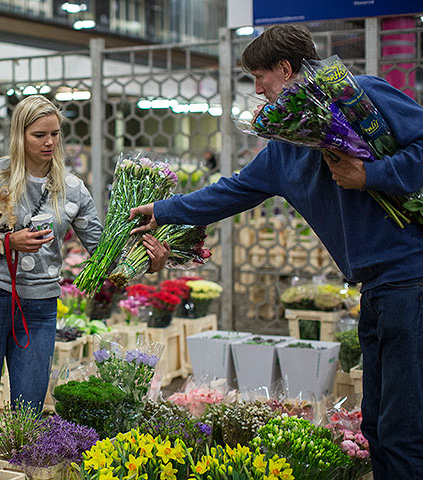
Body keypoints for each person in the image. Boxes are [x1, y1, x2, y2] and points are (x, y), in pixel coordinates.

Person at [130, 24, 423, 478]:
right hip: (377, 290)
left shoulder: (358, 96)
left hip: (412, 280)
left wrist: (372, 176)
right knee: (379, 428)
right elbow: (235, 190)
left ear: (285, 69)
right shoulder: (286, 144)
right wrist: (164, 211)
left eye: (259, 78)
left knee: (404, 431)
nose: (257, 90)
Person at [0, 95, 169, 448]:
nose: (49, 142)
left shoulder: (72, 187)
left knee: (28, 419)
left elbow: (103, 252)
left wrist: (146, 261)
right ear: (20, 135)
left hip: (39, 309)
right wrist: (6, 243)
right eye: (39, 135)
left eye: (55, 134)